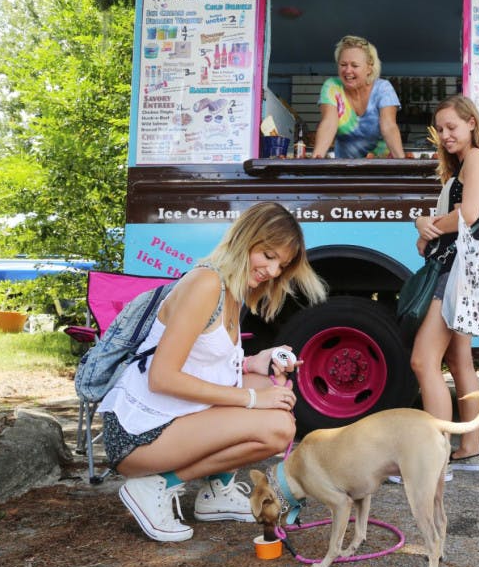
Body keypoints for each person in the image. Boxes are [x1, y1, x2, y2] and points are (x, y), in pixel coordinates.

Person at [97, 202, 327, 542]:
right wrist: (251, 398)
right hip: (137, 434)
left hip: (169, 421)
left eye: (282, 264)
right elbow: (162, 377)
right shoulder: (206, 284)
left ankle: (217, 492)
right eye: (267, 255)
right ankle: (157, 486)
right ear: (244, 239)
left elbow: (205, 362)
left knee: (270, 390)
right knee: (277, 427)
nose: (273, 271)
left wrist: (254, 363)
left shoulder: (232, 292)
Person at [409, 95, 479, 476]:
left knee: (422, 361)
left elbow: (468, 214)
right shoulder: (464, 166)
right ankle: (469, 450)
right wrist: (425, 227)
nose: (445, 135)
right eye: (441, 130)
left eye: (452, 127)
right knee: (459, 360)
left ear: (471, 125)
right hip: (460, 270)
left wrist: (428, 225)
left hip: (454, 274)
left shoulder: (476, 159)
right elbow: (455, 220)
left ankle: (436, 459)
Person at [311, 35, 406, 160]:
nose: (348, 70)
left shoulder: (383, 89)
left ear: (369, 69)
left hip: (380, 167)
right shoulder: (332, 87)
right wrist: (316, 159)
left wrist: (401, 162)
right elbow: (329, 124)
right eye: (343, 64)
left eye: (354, 65)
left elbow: (388, 126)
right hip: (344, 168)